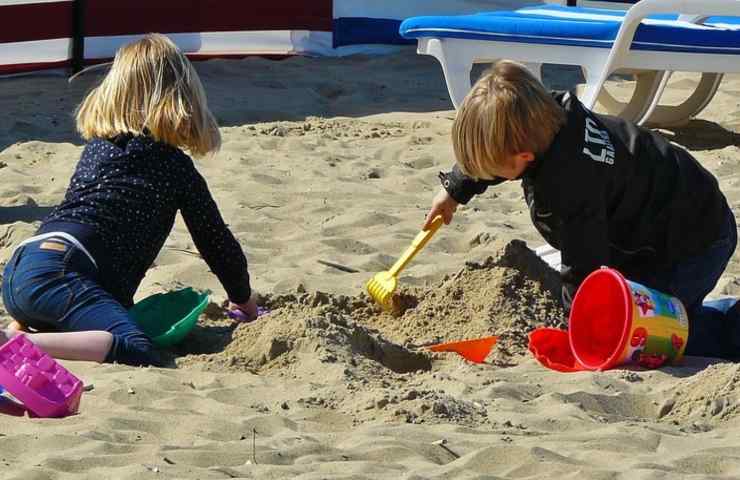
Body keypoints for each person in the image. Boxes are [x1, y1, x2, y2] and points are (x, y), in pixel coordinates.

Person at [425, 60, 739, 358]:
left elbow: (583, 266)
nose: (484, 172)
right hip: (661, 212)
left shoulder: (569, 188)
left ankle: (732, 326)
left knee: (650, 335)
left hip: (693, 241)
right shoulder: (547, 116)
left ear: (523, 158)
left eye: (488, 168)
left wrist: (577, 327)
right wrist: (456, 187)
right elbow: (498, 144)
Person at [2, 34, 257, 366]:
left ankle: (23, 329)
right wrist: (244, 301)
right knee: (135, 346)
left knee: (84, 314)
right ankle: (16, 341)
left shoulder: (98, 148)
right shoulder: (174, 166)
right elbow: (215, 241)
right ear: (183, 97)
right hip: (60, 276)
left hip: (22, 270)